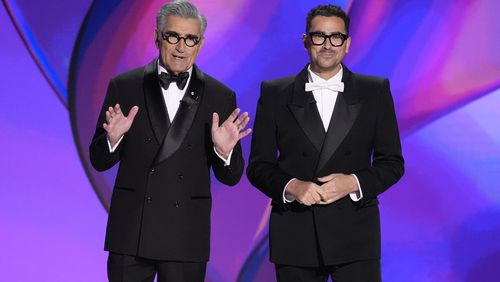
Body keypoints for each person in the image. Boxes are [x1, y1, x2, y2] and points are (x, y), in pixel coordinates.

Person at [89, 1, 251, 281]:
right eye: (173, 36)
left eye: (190, 39)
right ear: (157, 37)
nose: (181, 47)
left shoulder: (220, 96)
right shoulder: (125, 86)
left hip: (186, 234)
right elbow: (98, 160)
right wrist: (112, 140)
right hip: (131, 232)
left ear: (199, 45)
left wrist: (224, 152)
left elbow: (232, 176)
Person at [247, 4, 404, 282]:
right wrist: (292, 186)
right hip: (295, 234)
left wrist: (353, 183)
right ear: (306, 41)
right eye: (319, 36)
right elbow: (259, 166)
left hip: (356, 234)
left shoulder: (375, 91)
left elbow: (392, 163)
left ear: (347, 43)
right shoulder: (274, 93)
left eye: (336, 37)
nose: (328, 45)